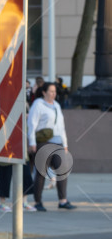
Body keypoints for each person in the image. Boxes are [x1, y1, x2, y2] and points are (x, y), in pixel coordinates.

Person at [27, 81, 76, 211]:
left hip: (58, 142)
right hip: (43, 141)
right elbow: (32, 124)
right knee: (41, 172)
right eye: (51, 91)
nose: (53, 94)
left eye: (55, 91)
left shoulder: (57, 106)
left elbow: (61, 127)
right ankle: (38, 202)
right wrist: (32, 142)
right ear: (44, 92)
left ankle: (63, 201)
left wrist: (65, 144)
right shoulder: (38, 104)